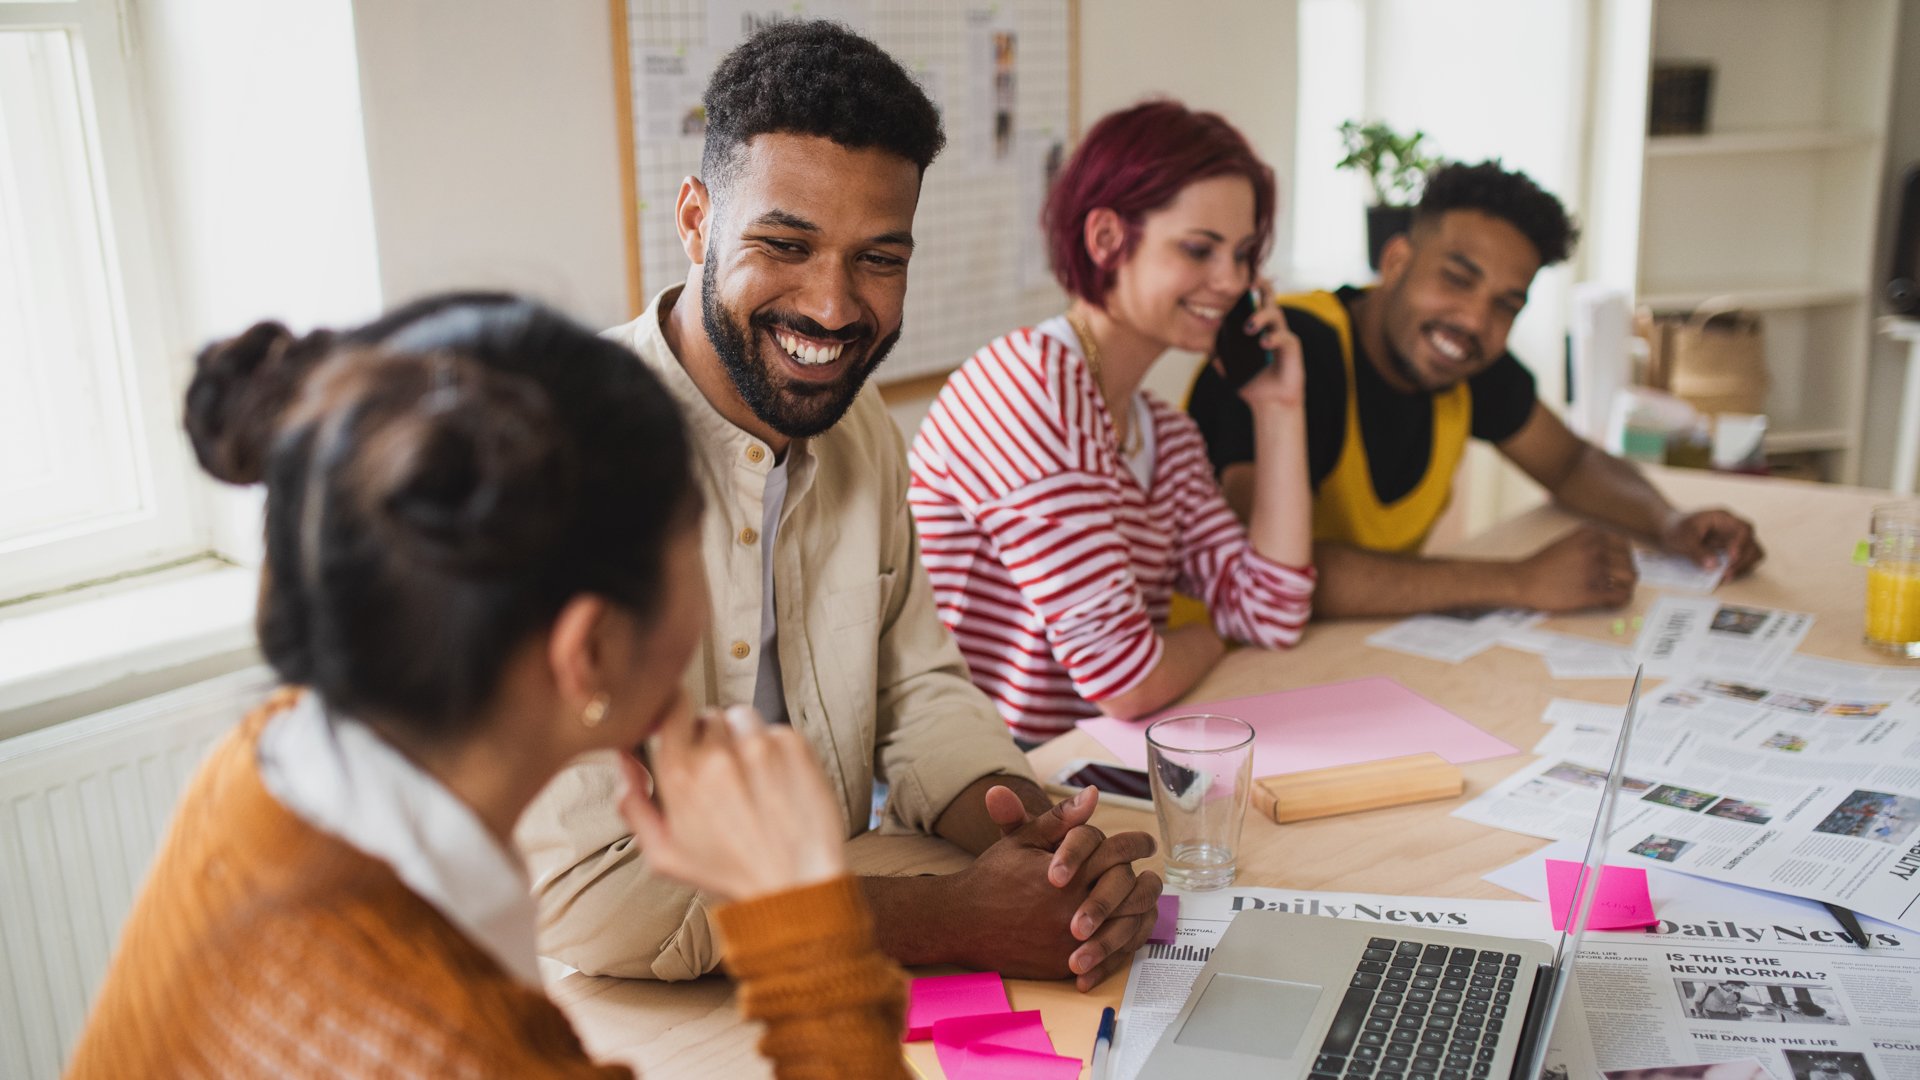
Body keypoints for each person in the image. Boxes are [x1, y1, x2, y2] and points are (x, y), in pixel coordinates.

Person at [66, 295, 908, 1077]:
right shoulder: (452, 1043)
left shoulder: (273, 760)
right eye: (698, 534)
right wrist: (801, 922)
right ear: (590, 650)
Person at [516, 20, 1161, 992]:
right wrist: (948, 916)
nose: (832, 306)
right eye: (786, 243)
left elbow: (918, 690)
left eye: (879, 258)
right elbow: (595, 900)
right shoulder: (546, 460)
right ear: (695, 220)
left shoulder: (857, 432)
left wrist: (1026, 834)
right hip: (603, 1014)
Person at [1186, 161, 1764, 617]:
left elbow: (1570, 463)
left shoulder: (1467, 363)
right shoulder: (1292, 352)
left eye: (1505, 305)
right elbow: (1273, 572)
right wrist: (1518, 581)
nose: (1472, 320)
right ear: (1395, 260)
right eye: (1457, 279)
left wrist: (1668, 522)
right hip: (1212, 692)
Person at [908, 100, 1314, 742]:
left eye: (1243, 254)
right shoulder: (1030, 388)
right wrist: (1212, 635)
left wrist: (1278, 407)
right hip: (973, 789)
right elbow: (1126, 684)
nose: (1233, 281)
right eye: (1199, 249)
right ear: (1106, 240)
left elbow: (1273, 612)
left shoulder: (1162, 433)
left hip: (1085, 775)